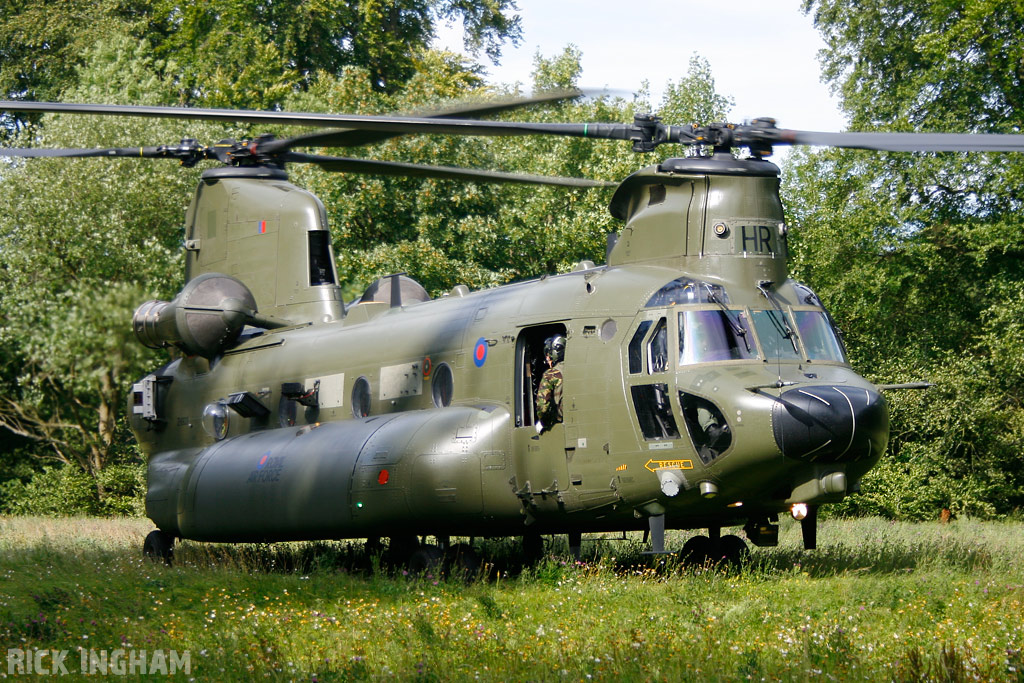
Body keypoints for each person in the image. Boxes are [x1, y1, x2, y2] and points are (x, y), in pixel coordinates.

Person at [535, 334, 565, 434]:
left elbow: (542, 408)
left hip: (561, 423)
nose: (547, 358)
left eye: (548, 354)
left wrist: (544, 423)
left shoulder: (551, 374)